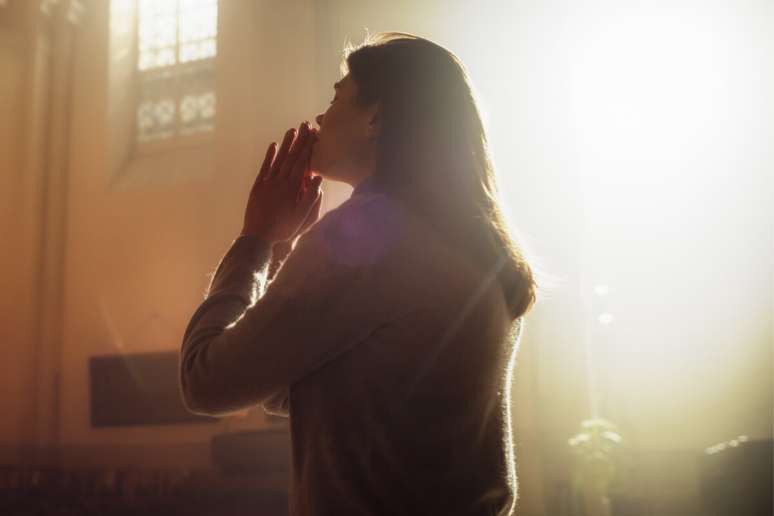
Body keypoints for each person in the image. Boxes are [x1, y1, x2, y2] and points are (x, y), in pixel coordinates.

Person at [179, 32, 542, 516]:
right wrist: (286, 247)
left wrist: (257, 240)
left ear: (376, 117)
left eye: (336, 97)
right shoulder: (477, 245)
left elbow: (206, 382)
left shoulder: (369, 235)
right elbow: (328, 390)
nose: (321, 117)